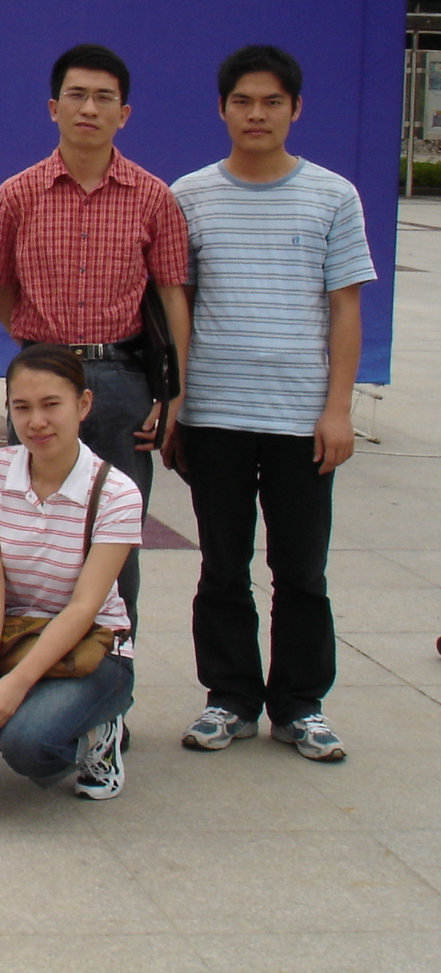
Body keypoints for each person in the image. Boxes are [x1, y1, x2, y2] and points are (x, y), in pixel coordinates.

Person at [172, 46, 375, 762]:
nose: (256, 115)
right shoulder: (189, 196)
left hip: (300, 417)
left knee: (301, 571)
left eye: (272, 102)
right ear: (222, 108)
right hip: (215, 414)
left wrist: (338, 410)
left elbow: (345, 310)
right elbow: (178, 308)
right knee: (222, 566)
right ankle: (229, 698)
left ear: (295, 109)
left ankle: (300, 705)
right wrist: (177, 406)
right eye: (243, 102)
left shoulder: (333, 196)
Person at [0, 43, 189, 626]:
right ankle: (31, 658)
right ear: (54, 107)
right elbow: (1, 286)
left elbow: (172, 295)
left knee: (117, 535)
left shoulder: (153, 196)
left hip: (122, 379)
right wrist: (39, 353)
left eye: (104, 98)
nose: (89, 108)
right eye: (76, 95)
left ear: (123, 114)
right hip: (43, 378)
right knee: (31, 531)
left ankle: (112, 670)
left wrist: (174, 395)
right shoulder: (18, 193)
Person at [0, 344, 141, 800]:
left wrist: (15, 684)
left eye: (51, 405)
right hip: (14, 630)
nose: (36, 422)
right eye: (22, 407)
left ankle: (99, 734)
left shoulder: (117, 493)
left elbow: (84, 607)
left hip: (91, 646)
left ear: (83, 404)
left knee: (28, 744)